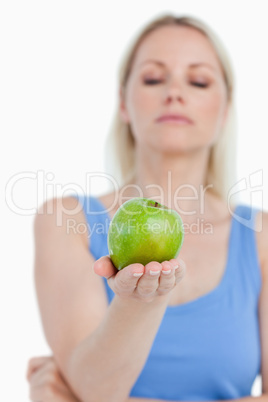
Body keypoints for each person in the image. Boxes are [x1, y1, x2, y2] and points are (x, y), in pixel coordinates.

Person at [26, 13, 268, 402]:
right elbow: (97, 389)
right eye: (154, 78)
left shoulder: (260, 237)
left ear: (225, 110)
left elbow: (85, 398)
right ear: (123, 103)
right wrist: (139, 301)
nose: (174, 92)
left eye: (199, 81)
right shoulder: (66, 220)